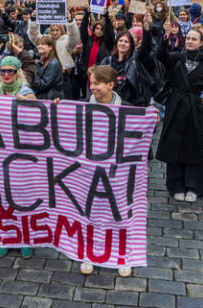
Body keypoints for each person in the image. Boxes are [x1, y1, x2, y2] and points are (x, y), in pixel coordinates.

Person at [76, 64, 143, 278]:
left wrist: (150, 119)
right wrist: (57, 107)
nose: (92, 87)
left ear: (111, 85)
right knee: (91, 212)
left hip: (118, 174)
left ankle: (122, 254)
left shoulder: (128, 109)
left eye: (97, 83)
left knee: (119, 212)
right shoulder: (81, 106)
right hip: (90, 172)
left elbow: (142, 145)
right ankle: (90, 252)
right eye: (91, 83)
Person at [155, 26, 203, 203]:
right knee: (174, 146)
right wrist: (165, 38)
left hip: (194, 108)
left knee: (193, 147)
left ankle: (193, 186)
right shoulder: (177, 57)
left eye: (194, 39)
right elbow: (160, 57)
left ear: (201, 43)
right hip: (175, 106)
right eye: (189, 38)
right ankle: (175, 185)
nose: (190, 41)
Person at [0, 55, 35, 259]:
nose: (6, 74)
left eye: (10, 71)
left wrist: (29, 104)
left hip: (20, 153)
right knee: (1, 195)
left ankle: (25, 238)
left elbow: (37, 115)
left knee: (22, 195)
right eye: (3, 71)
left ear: (17, 72)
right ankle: (4, 236)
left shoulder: (26, 92)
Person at [28, 17, 80, 99]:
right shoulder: (47, 41)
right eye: (52, 30)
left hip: (64, 75)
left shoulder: (66, 41)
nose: (54, 32)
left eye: (57, 30)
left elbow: (74, 37)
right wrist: (33, 20)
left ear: (61, 30)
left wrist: (70, 22)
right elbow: (34, 36)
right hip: (47, 73)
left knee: (64, 98)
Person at [32, 35, 63, 100]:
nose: (39, 46)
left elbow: (43, 85)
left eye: (43, 44)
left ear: (50, 47)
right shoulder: (42, 60)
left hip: (50, 99)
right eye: (38, 44)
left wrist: (32, 72)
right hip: (43, 97)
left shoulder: (53, 64)